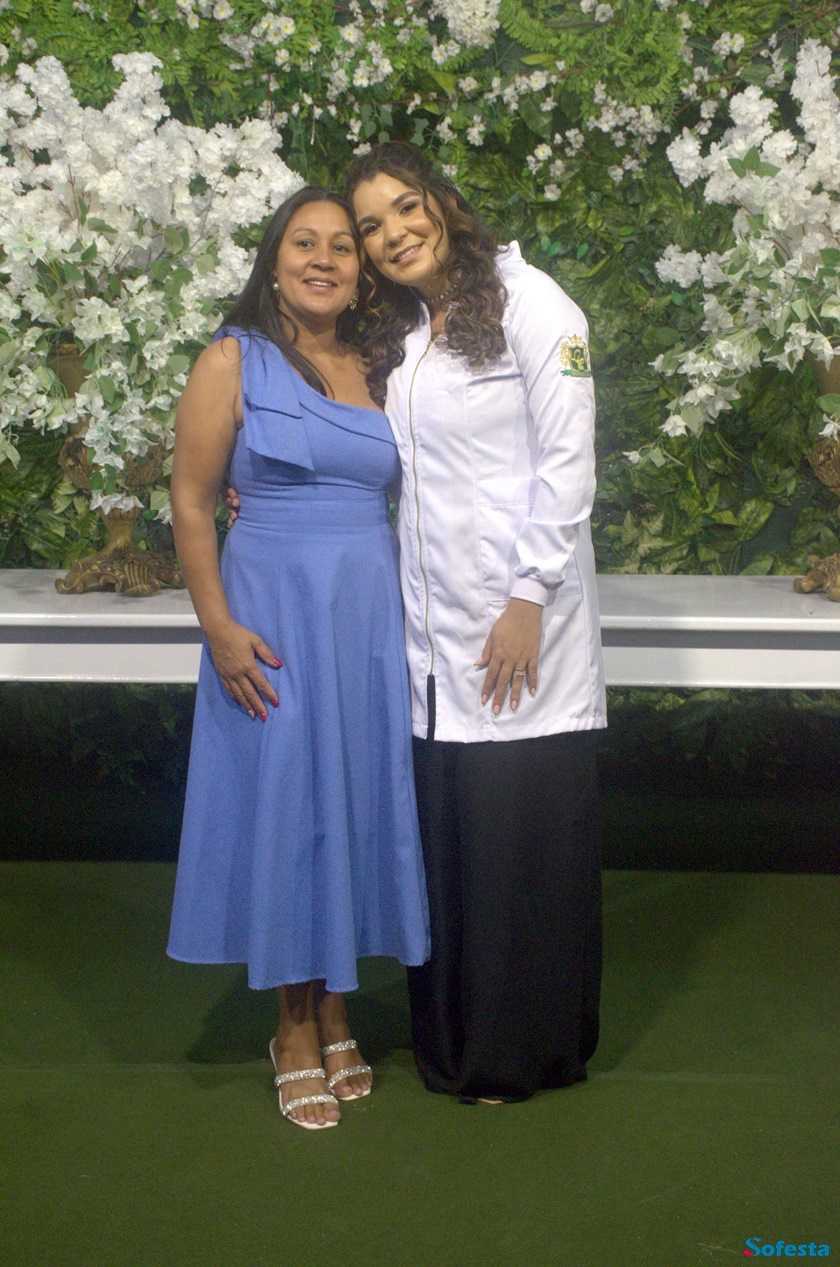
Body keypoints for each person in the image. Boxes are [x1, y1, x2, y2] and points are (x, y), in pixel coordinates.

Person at [344, 143, 606, 1104]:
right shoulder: (406, 333)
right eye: (371, 226)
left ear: (443, 203)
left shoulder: (538, 305)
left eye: (405, 208)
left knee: (516, 848)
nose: (392, 235)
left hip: (519, 628)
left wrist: (529, 597)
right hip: (434, 639)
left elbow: (569, 463)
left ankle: (527, 1051)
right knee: (453, 850)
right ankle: (455, 1044)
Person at [166, 187, 430, 1131]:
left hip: (365, 618)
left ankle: (338, 1008)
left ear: (360, 272)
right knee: (289, 805)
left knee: (349, 799)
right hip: (270, 615)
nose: (325, 259)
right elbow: (191, 500)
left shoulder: (380, 364)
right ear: (273, 264)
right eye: (304, 243)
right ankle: (291, 1027)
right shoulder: (231, 360)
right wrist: (218, 625)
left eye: (342, 247)